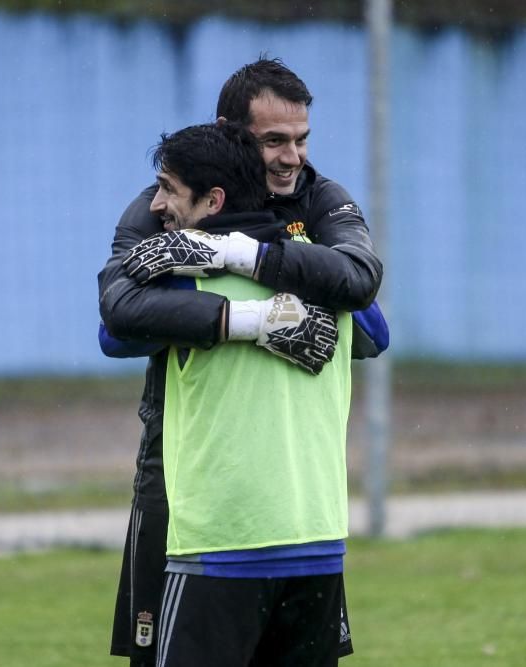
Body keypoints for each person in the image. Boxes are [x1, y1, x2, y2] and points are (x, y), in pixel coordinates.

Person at [97, 57, 385, 666]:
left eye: (301, 139)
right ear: (232, 133)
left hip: (258, 517)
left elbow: (367, 307)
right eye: (273, 140)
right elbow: (118, 318)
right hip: (178, 476)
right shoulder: (165, 204)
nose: (292, 157)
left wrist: (245, 256)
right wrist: (250, 320)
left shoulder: (320, 201)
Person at [144, 120, 356, 666]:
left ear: (213, 200)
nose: (155, 206)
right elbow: (376, 330)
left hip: (220, 543)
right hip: (317, 537)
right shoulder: (329, 278)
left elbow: (112, 330)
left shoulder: (179, 280)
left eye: (167, 189)